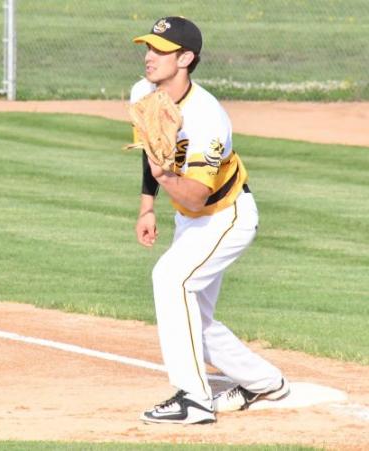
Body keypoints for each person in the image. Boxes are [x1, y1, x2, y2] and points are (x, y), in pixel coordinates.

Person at [129, 16, 290, 425]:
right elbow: (152, 154)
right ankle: (264, 381)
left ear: (186, 58)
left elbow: (198, 198)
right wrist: (147, 204)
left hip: (226, 217)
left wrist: (165, 176)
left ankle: (195, 400)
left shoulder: (207, 117)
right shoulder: (143, 92)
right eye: (148, 48)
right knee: (193, 318)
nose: (149, 57)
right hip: (191, 220)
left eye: (160, 51)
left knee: (170, 280)